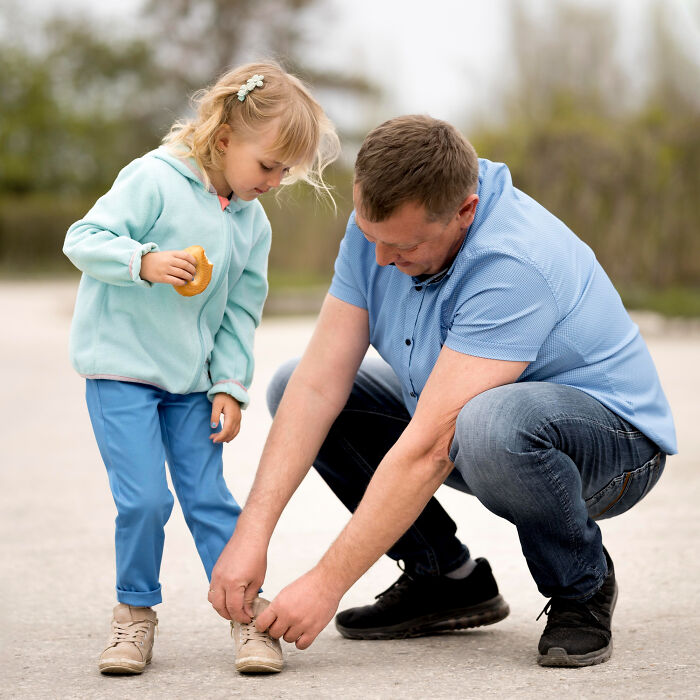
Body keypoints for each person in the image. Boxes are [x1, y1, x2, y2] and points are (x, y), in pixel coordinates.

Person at [207, 114, 677, 668]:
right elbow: (315, 388)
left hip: (611, 449)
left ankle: (581, 585)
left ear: (465, 211)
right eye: (370, 235)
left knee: (488, 424)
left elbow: (432, 445)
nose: (380, 259)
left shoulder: (514, 262)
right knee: (290, 384)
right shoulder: (377, 231)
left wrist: (325, 583)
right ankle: (446, 579)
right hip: (482, 432)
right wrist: (249, 536)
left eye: (402, 245)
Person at [62, 61, 339, 676]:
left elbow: (241, 313)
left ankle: (246, 616)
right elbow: (82, 238)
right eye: (267, 166)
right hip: (122, 372)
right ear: (223, 140)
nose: (273, 182)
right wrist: (143, 260)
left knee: (211, 501)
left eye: (284, 173)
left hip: (191, 384)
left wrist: (230, 387)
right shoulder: (153, 180)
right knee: (144, 503)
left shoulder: (252, 223)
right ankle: (134, 615)